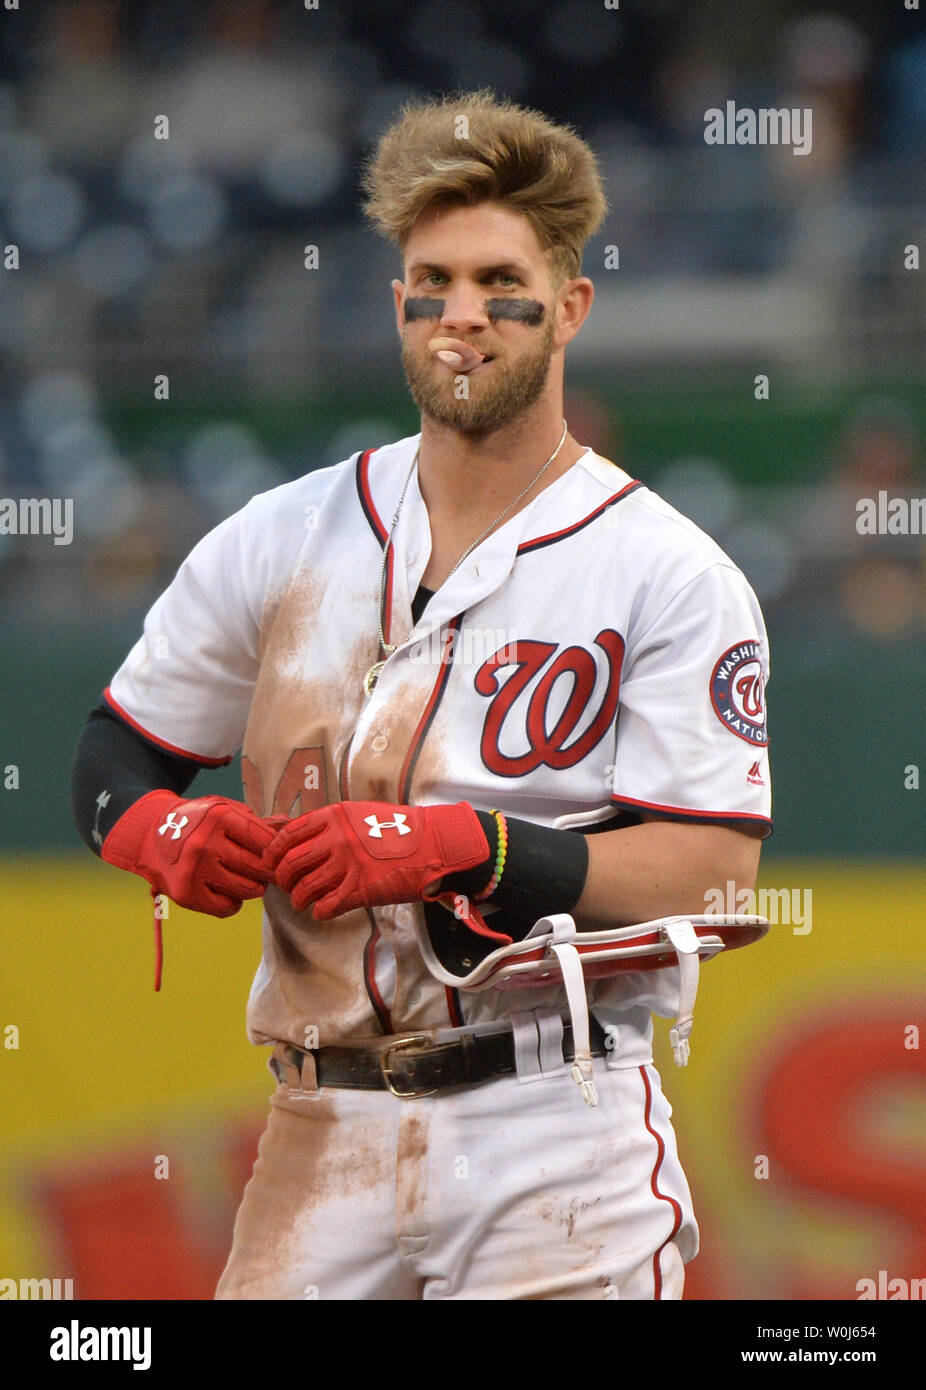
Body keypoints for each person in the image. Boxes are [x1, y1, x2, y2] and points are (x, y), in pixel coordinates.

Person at [70, 90, 772, 1301]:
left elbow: (712, 873)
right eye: (429, 281)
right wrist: (161, 831)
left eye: (498, 280)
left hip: (553, 1116)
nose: (460, 315)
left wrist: (467, 844)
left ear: (568, 306)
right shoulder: (278, 535)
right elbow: (112, 756)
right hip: (318, 1117)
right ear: (398, 302)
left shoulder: (668, 571)